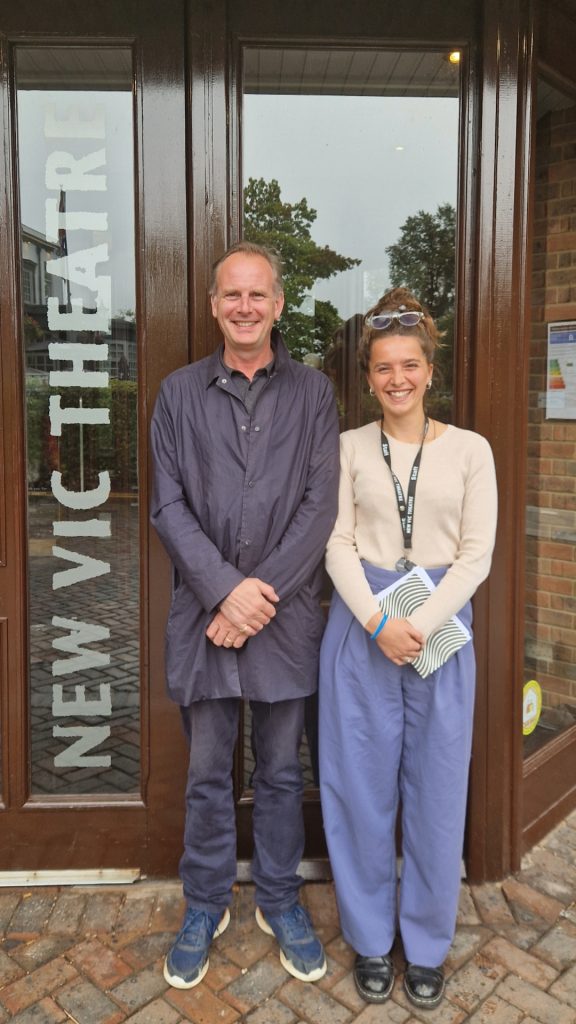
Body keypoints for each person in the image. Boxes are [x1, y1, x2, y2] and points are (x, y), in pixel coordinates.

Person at [150, 241, 340, 990]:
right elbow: (166, 505)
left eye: (258, 295)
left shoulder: (314, 394)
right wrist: (224, 591)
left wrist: (253, 598)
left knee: (283, 774)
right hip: (206, 621)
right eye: (232, 295)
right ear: (213, 305)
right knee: (205, 775)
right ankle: (204, 902)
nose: (245, 307)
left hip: (284, 621)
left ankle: (280, 897)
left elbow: (318, 507)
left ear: (280, 304)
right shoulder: (176, 394)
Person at [318, 287, 497, 1009]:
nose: (398, 379)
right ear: (368, 377)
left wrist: (419, 622)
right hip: (362, 632)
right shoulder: (347, 448)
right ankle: (368, 939)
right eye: (384, 368)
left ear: (430, 370)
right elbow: (334, 542)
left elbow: (477, 555)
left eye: (410, 365)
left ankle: (424, 943)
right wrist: (374, 620)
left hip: (441, 636)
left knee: (436, 795)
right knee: (359, 791)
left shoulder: (471, 452)